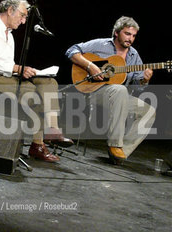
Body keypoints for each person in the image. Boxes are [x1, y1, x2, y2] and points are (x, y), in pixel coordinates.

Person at [0, 0, 73, 163]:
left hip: (5, 75)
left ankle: (53, 128)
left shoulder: (9, 35)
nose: (24, 21)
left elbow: (7, 64)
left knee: (48, 83)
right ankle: (37, 145)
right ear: (10, 10)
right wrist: (18, 69)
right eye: (23, 15)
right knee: (36, 96)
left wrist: (25, 71)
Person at [65, 16, 156, 164]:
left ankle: (121, 152)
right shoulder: (101, 45)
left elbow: (138, 85)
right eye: (127, 34)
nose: (130, 39)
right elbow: (72, 50)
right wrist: (90, 66)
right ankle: (115, 144)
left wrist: (145, 79)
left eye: (133, 36)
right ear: (116, 33)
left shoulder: (134, 55)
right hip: (94, 92)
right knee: (120, 90)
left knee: (149, 111)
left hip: (119, 97)